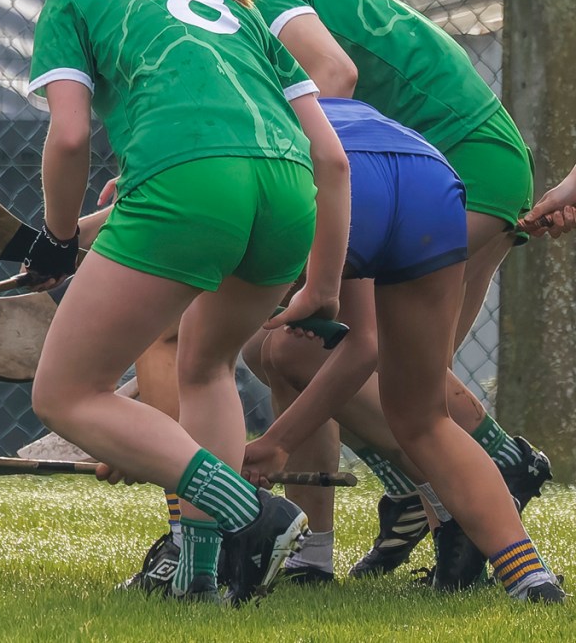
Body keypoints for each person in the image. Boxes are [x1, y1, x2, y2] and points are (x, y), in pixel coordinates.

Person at [129, 0, 550, 585]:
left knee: (336, 362)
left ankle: (481, 469)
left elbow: (333, 77)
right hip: (420, 167)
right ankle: (318, 549)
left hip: (438, 165)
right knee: (291, 353)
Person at [24, 0, 353, 604]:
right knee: (206, 368)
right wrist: (324, 283)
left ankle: (252, 516)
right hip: (289, 196)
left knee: (67, 394)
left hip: (191, 187)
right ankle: (200, 575)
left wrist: (57, 236)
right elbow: (331, 157)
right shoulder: (237, 5)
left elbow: (69, 138)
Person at [237, 97, 563, 602]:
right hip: (426, 173)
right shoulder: (271, 90)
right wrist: (277, 441)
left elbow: (190, 355)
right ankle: (530, 579)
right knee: (422, 417)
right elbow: (362, 345)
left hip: (330, 182)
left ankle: (196, 553)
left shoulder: (204, 146)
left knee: (234, 355)